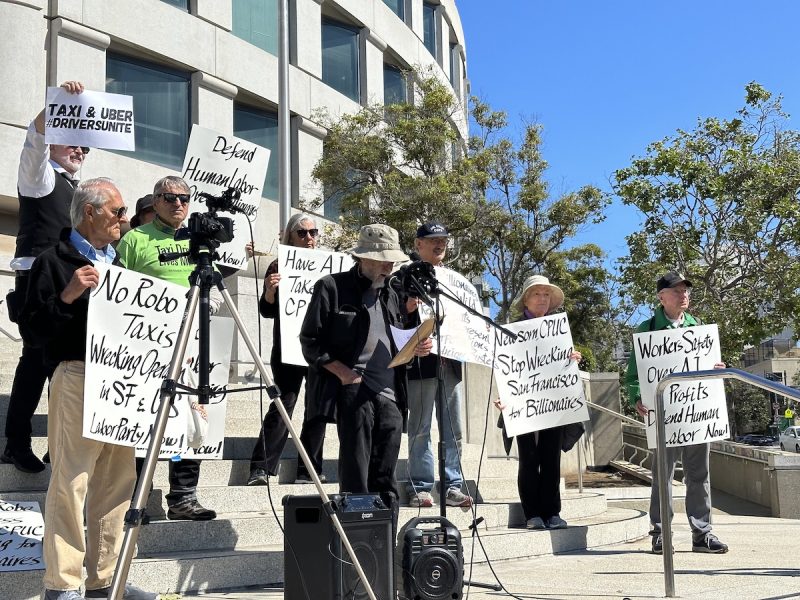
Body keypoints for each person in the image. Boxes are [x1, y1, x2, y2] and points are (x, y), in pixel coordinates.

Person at [18, 178, 161, 600]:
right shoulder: (54, 260)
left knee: (117, 483)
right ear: (90, 213)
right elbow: (32, 330)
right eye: (117, 212)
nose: (124, 219)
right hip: (78, 376)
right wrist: (67, 295)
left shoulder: (122, 265)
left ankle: (105, 578)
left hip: (123, 378)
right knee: (71, 480)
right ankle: (62, 583)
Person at [300, 224, 431, 525]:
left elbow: (398, 341)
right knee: (356, 471)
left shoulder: (394, 294)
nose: (389, 265)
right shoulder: (331, 287)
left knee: (387, 477)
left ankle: (385, 543)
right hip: (353, 390)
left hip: (391, 393)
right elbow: (310, 341)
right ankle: (357, 546)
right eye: (383, 259)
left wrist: (415, 347)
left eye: (392, 260)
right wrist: (344, 373)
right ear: (363, 258)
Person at [116, 175, 217, 521]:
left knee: (191, 419)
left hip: (192, 344)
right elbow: (117, 289)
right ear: (155, 201)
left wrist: (203, 301)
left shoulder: (200, 241)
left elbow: (214, 293)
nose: (178, 204)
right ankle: (135, 498)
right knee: (145, 421)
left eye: (184, 198)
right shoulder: (134, 240)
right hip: (146, 345)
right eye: (170, 198)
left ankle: (183, 497)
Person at [2, 80, 87, 473]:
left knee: (61, 365)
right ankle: (16, 443)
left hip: (67, 281)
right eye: (71, 141)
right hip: (36, 277)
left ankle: (58, 445)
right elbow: (34, 139)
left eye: (84, 147)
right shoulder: (40, 177)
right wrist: (58, 103)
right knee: (35, 361)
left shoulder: (77, 189)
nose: (79, 150)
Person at [625, 271, 729, 555]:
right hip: (664, 416)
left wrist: (716, 370)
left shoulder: (699, 328)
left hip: (696, 415)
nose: (683, 294)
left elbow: (706, 369)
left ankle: (702, 533)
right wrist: (637, 398)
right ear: (661, 297)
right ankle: (660, 532)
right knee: (663, 475)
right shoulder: (646, 331)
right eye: (676, 290)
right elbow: (633, 376)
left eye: (686, 290)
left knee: (699, 474)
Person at [246, 213, 328, 486]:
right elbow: (266, 310)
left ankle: (310, 471)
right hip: (288, 348)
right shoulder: (279, 265)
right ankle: (261, 467)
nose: (309, 238)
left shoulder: (327, 268)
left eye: (313, 232)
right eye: (302, 233)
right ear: (290, 236)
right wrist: (270, 291)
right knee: (283, 404)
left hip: (319, 350)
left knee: (317, 410)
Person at [494, 275, 580, 530]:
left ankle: (552, 512)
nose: (542, 299)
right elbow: (506, 367)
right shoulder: (512, 330)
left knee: (551, 457)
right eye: (537, 294)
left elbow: (562, 365)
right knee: (529, 458)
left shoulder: (559, 330)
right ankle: (532, 513)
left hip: (553, 403)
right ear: (526, 300)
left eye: (546, 295)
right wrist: (505, 396)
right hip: (522, 404)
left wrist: (572, 358)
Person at [405, 222, 472, 508]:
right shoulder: (405, 277)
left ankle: (453, 485)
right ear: (418, 244)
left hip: (451, 364)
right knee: (420, 427)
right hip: (421, 363)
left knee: (453, 429)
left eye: (443, 240)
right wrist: (410, 314)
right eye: (432, 240)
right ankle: (421, 487)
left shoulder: (457, 282)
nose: (439, 244)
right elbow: (395, 318)